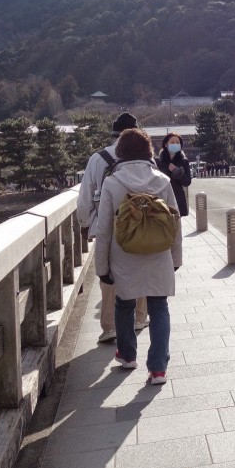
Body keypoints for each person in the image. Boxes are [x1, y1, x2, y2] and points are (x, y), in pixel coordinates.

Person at [93, 128, 182, 385]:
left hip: (124, 255)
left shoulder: (112, 183)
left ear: (120, 153)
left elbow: (104, 229)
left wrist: (102, 267)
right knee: (159, 306)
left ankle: (127, 355)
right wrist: (176, 259)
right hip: (159, 253)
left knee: (124, 303)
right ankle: (158, 369)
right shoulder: (162, 181)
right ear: (149, 152)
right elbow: (174, 223)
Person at [76, 112, 147, 342]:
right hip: (139, 225)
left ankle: (109, 327)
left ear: (114, 135)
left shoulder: (98, 159)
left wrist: (85, 223)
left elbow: (86, 196)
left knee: (109, 275)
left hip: (107, 225)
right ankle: (139, 317)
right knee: (139, 268)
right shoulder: (145, 159)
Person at [156, 132, 192, 217]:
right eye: (172, 142)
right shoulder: (159, 161)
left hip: (178, 198)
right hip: (162, 198)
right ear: (165, 144)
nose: (175, 144)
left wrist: (176, 171)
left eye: (177, 142)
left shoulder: (184, 161)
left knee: (177, 227)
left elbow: (187, 182)